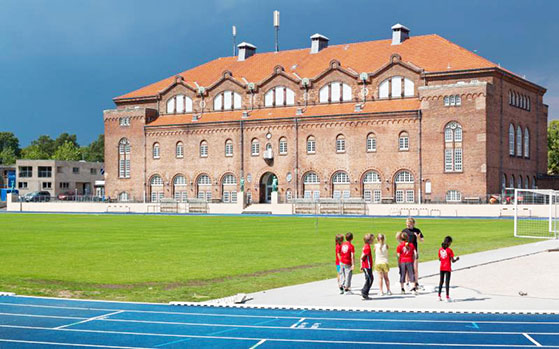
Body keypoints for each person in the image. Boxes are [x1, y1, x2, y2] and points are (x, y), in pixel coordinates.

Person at [401, 217, 423, 289]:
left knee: (415, 267)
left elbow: (422, 240)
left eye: (409, 224)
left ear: (413, 224)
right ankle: (407, 282)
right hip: (406, 251)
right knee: (407, 267)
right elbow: (401, 241)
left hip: (414, 251)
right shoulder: (404, 231)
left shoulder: (417, 230)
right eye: (407, 224)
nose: (408, 225)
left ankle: (416, 282)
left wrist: (418, 237)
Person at [438, 236, 459, 302]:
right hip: (447, 268)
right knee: (447, 282)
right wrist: (457, 259)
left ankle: (439, 296)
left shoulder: (440, 250)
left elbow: (439, 259)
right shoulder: (449, 250)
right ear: (449, 243)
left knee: (441, 282)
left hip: (442, 267)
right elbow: (452, 261)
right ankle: (447, 296)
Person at [360, 233, 374, 300]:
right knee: (369, 279)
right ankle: (364, 292)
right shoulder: (367, 247)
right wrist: (362, 263)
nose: (373, 241)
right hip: (367, 266)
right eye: (372, 240)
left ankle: (365, 291)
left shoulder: (366, 246)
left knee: (370, 278)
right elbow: (363, 256)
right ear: (369, 240)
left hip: (368, 265)